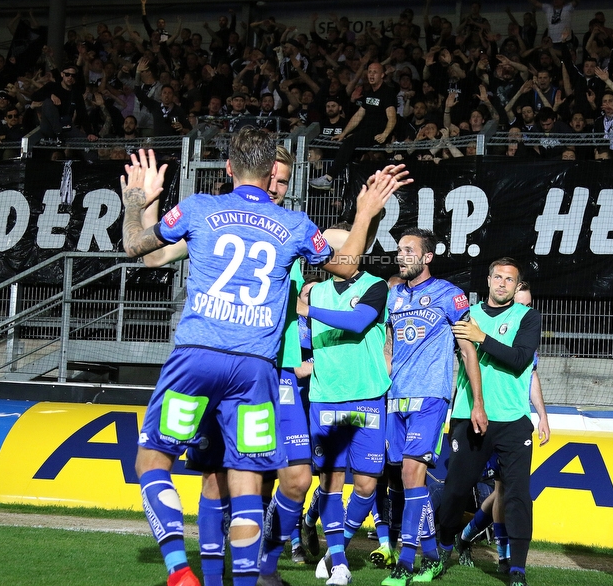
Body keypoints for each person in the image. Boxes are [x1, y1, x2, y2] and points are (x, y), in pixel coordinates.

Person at [119, 128, 408, 586]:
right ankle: (224, 577)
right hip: (255, 367)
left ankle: (244, 571)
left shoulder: (257, 217)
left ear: (232, 168)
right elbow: (154, 260)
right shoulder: (279, 226)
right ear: (266, 172)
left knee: (288, 479)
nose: (279, 186)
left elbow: (353, 251)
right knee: (223, 477)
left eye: (285, 181)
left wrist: (365, 214)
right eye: (276, 178)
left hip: (260, 368)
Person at [381, 229, 485, 586]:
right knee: (410, 480)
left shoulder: (450, 296)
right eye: (399, 250)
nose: (401, 255)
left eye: (409, 250)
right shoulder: (393, 295)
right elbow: (388, 345)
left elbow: (468, 350)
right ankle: (431, 555)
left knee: (412, 473)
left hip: (430, 397)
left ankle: (405, 562)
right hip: (396, 398)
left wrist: (477, 403)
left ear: (427, 257)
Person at [437, 258, 546, 586]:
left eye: (509, 279)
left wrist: (481, 337)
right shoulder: (467, 315)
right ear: (488, 280)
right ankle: (444, 548)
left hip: (513, 420)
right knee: (455, 490)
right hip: (470, 416)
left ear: (516, 285)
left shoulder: (528, 317)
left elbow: (519, 360)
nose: (502, 283)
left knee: (516, 495)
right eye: (497, 277)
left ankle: (517, 569)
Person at [299, 228, 392, 586]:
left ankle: (333, 550)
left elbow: (357, 322)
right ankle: (340, 563)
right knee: (331, 483)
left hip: (366, 397)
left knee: (367, 486)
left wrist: (306, 308)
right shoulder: (317, 290)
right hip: (326, 397)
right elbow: (304, 342)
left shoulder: (376, 286)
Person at [309, 62, 397, 190]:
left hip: (378, 133)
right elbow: (359, 115)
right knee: (348, 144)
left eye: (375, 72)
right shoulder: (369, 92)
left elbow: (392, 118)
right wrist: (344, 133)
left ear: (382, 75)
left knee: (350, 142)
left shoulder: (387, 92)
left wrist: (385, 134)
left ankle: (328, 178)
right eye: (370, 71)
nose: (371, 75)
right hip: (366, 130)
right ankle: (342, 188)